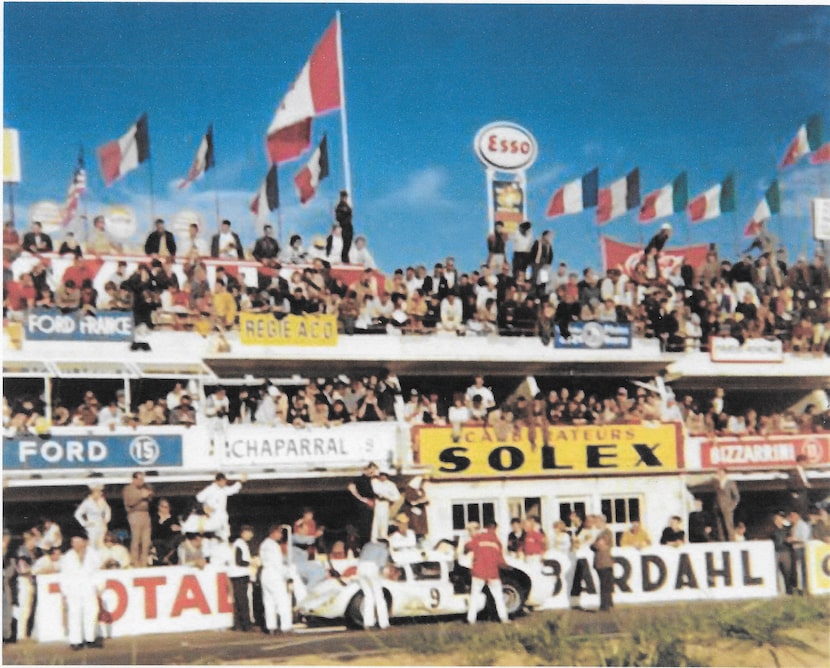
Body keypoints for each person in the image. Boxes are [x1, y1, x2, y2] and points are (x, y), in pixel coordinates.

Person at [59, 530, 103, 650]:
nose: (76, 545)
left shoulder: (93, 554)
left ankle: (90, 639)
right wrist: (64, 592)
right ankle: (75, 641)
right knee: (74, 614)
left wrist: (99, 587)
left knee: (91, 612)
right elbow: (64, 576)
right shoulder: (67, 557)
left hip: (89, 587)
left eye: (78, 542)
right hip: (73, 589)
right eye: (74, 542)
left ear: (85, 542)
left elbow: (97, 572)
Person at [465, 521, 509, 625]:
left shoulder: (478, 537)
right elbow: (501, 560)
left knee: (474, 595)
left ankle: (471, 619)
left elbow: (468, 546)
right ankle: (504, 618)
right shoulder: (497, 541)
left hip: (478, 572)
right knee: (498, 596)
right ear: (495, 529)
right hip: (493, 572)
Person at [259, 524, 292, 634]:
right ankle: (285, 626)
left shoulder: (264, 544)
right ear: (273, 532)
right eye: (279, 533)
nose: (281, 535)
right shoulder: (273, 546)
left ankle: (271, 626)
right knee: (282, 600)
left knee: (269, 602)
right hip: (275, 575)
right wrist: (288, 575)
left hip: (265, 574)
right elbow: (277, 564)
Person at [196, 472, 245, 542]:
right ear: (217, 481)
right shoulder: (210, 489)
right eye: (222, 482)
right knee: (213, 535)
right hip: (212, 516)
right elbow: (199, 498)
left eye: (224, 482)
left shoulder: (224, 489)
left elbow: (233, 489)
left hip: (222, 516)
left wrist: (240, 482)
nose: (224, 483)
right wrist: (205, 507)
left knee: (225, 534)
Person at [356, 540, 390, 630]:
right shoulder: (384, 548)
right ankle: (384, 623)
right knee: (379, 596)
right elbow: (382, 564)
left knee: (368, 596)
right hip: (372, 568)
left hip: (360, 568)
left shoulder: (367, 545)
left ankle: (368, 622)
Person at [122, 471, 153, 568]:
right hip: (135, 514)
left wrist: (149, 493)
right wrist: (141, 496)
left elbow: (150, 496)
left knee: (146, 540)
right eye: (139, 479)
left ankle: (144, 562)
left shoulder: (145, 487)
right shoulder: (128, 489)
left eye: (143, 479)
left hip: (145, 514)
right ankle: (135, 562)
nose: (141, 481)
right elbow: (129, 502)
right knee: (136, 539)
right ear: (134, 479)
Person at [230, 525, 256, 632]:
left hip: (239, 575)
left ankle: (238, 625)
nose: (251, 535)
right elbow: (239, 561)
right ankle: (246, 625)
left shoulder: (241, 544)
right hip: (239, 575)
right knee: (243, 601)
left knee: (239, 601)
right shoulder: (239, 544)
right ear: (243, 532)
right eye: (249, 532)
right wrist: (251, 562)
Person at [74, 483, 111, 549]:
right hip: (92, 526)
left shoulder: (102, 500)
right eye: (98, 492)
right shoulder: (87, 502)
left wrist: (106, 519)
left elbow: (108, 510)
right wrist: (85, 523)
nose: (100, 493)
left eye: (100, 492)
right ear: (93, 492)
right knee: (92, 544)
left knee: (101, 544)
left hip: (101, 525)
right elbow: (77, 514)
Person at [591, 515, 614, 611]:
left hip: (604, 561)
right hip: (602, 562)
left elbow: (598, 545)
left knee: (605, 584)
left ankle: (605, 605)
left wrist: (593, 544)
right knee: (605, 583)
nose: (596, 524)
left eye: (597, 522)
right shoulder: (601, 533)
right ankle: (607, 603)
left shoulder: (606, 533)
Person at [370, 470, 401, 542]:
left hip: (384, 504)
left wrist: (387, 497)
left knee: (383, 521)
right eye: (381, 475)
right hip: (374, 503)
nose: (382, 477)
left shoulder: (391, 484)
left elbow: (397, 497)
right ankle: (373, 539)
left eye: (384, 475)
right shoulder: (374, 482)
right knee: (375, 523)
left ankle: (383, 537)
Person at [714, 467, 740, 541]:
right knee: (720, 527)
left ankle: (731, 541)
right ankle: (722, 541)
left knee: (728, 526)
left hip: (727, 508)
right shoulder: (716, 483)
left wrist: (731, 507)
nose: (719, 474)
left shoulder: (730, 483)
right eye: (718, 473)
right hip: (718, 508)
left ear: (725, 473)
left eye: (721, 472)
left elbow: (736, 497)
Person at [152, 498, 181, 565]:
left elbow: (176, 529)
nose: (166, 509)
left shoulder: (173, 518)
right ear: (159, 507)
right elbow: (155, 531)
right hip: (157, 542)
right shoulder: (155, 518)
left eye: (167, 507)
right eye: (164, 507)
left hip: (171, 542)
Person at [401, 476, 429, 545]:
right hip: (413, 512)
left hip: (421, 512)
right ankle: (416, 541)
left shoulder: (421, 490)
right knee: (415, 527)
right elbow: (410, 501)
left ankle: (421, 539)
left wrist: (424, 501)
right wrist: (419, 501)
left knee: (422, 527)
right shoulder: (410, 490)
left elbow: (425, 499)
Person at [771, 511, 794, 595]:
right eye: (776, 519)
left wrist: (789, 540)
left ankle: (789, 590)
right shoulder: (772, 530)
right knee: (776, 572)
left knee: (787, 572)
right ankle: (778, 591)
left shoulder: (787, 529)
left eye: (779, 518)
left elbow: (790, 538)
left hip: (785, 552)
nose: (777, 520)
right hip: (776, 552)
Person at [335, 190, 353, 263]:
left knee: (348, 243)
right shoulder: (340, 206)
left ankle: (346, 258)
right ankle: (344, 259)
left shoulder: (346, 205)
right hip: (344, 226)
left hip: (348, 226)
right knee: (345, 243)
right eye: (343, 196)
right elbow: (338, 217)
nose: (344, 198)